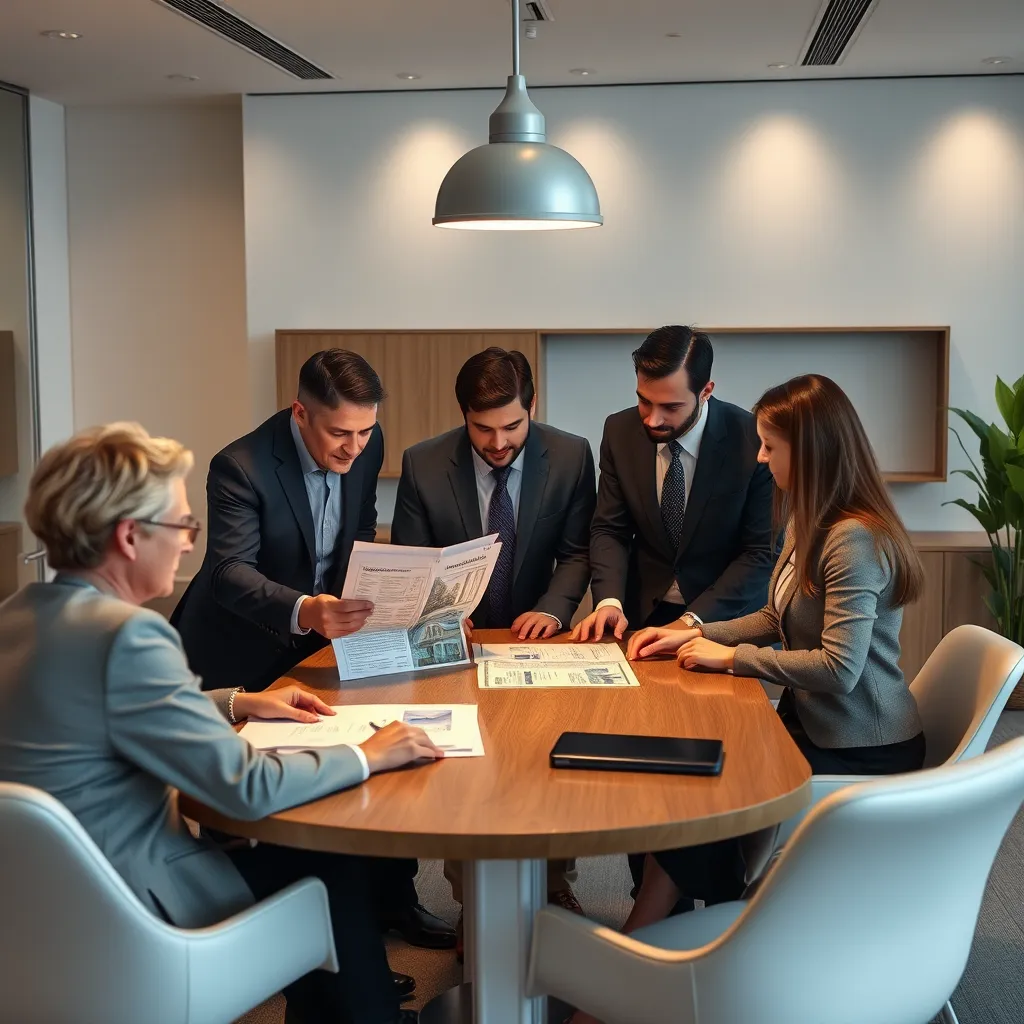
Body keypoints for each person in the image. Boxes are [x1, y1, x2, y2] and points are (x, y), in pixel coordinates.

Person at [0, 423, 444, 1024]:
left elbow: (94, 712)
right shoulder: (129, 635)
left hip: (36, 913)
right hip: (130, 905)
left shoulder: (19, 616)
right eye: (183, 527)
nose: (189, 546)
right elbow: (245, 786)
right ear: (130, 537)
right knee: (330, 860)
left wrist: (237, 702)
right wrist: (371, 753)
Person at [616, 374, 927, 961]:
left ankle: (651, 952)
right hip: (817, 725)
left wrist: (732, 659)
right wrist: (691, 630)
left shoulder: (853, 538)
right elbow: (774, 616)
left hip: (860, 746)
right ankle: (654, 949)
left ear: (807, 451)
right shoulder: (809, 518)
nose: (760, 457)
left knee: (710, 791)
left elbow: (841, 669)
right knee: (696, 776)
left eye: (769, 446)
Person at [171, 348, 455, 951]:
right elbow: (228, 573)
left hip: (326, 638)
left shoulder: (365, 444)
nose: (355, 448)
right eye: (340, 433)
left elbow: (356, 531)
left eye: (366, 430)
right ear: (301, 413)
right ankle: (298, 932)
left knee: (376, 753)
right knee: (279, 796)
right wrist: (307, 608)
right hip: (243, 644)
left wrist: (376, 587)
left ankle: (392, 901)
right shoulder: (241, 465)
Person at [390, 346, 596, 939]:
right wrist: (440, 615)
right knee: (467, 772)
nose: (499, 441)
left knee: (544, 765)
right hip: (461, 639)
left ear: (531, 406)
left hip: (537, 635)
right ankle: (473, 901)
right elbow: (413, 561)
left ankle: (556, 885)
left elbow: (578, 550)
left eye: (512, 425)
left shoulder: (572, 455)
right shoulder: (424, 464)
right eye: (483, 428)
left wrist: (553, 610)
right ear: (463, 416)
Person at [571, 325, 774, 643]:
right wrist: (609, 600)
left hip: (725, 622)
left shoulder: (752, 438)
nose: (652, 419)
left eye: (671, 407)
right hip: (642, 616)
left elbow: (759, 552)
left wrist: (690, 622)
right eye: (644, 402)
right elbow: (611, 529)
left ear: (706, 391)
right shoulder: (619, 431)